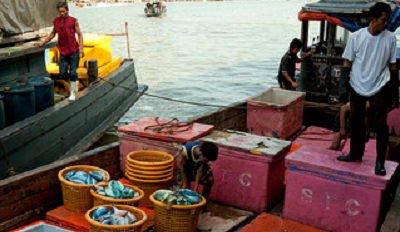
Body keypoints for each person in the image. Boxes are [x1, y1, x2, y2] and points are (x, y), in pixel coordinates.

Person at [336, 2, 398, 176]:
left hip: (380, 84)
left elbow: (393, 66)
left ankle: (380, 162)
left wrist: (394, 91)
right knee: (355, 121)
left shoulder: (391, 38)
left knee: (381, 125)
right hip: (357, 84)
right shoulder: (356, 37)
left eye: (388, 20)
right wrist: (342, 86)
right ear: (373, 19)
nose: (386, 24)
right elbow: (347, 62)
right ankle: (355, 154)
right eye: (383, 20)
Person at [34, 2, 84, 101]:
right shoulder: (56, 21)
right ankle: (73, 82)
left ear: (67, 10)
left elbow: (80, 35)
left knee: (73, 72)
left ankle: (72, 92)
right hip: (63, 52)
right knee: (62, 73)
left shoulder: (74, 21)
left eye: (63, 11)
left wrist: (81, 49)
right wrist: (43, 42)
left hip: (74, 51)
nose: (61, 13)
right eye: (60, 12)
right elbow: (53, 33)